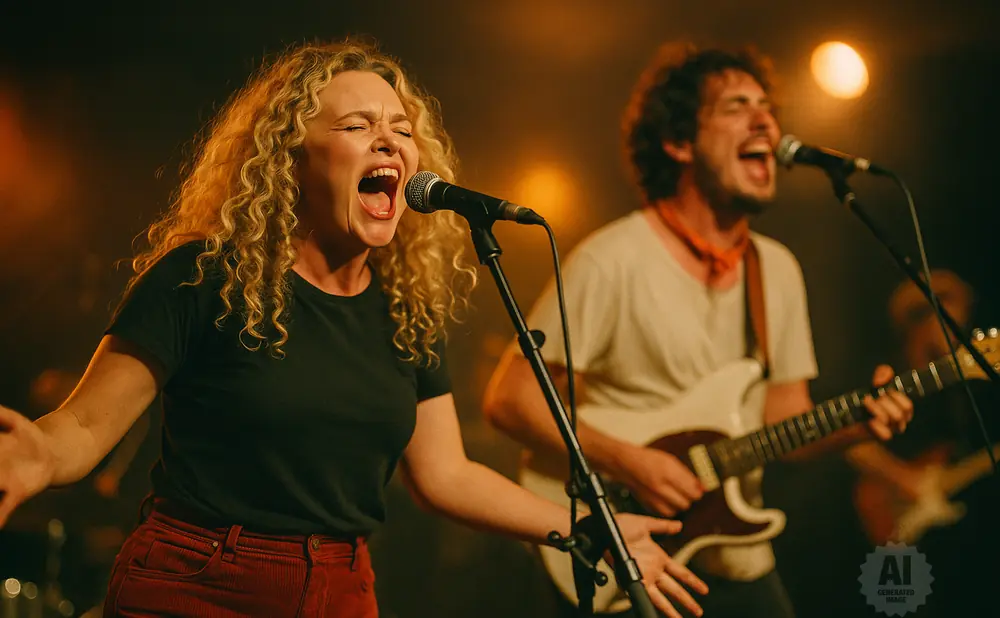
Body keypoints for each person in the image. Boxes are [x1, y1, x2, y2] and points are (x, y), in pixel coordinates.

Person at [0, 41, 708, 618]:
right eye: (357, 126)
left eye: (402, 130)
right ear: (290, 158)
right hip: (197, 581)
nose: (390, 142)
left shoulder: (406, 309)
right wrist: (35, 452)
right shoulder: (204, 277)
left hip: (339, 588)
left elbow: (446, 474)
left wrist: (583, 530)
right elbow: (87, 428)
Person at [482, 42, 914, 618]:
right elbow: (510, 400)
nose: (765, 119)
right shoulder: (612, 260)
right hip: (631, 554)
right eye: (737, 106)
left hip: (737, 558)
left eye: (767, 106)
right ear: (678, 141)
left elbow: (782, 419)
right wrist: (628, 462)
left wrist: (859, 425)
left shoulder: (775, 269)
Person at [847, 270, 998, 617]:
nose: (939, 317)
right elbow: (849, 443)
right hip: (893, 520)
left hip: (958, 529)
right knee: (899, 605)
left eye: (949, 303)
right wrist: (905, 479)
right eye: (924, 310)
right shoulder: (886, 376)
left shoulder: (977, 378)